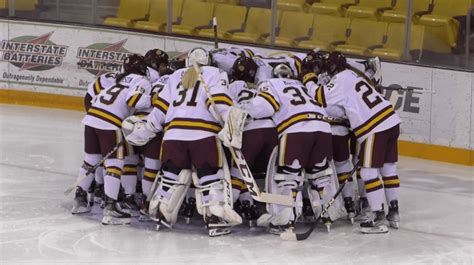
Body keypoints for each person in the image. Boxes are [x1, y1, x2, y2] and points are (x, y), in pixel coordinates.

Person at [123, 47, 242, 236]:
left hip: (173, 137)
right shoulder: (215, 73)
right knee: (209, 178)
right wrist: (231, 125)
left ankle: (163, 212)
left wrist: (147, 128)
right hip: (203, 135)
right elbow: (218, 101)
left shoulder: (176, 75)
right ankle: (215, 218)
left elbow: (160, 109)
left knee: (171, 177)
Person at [308, 51, 401, 233]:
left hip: (375, 127)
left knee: (368, 172)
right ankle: (394, 213)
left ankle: (378, 217)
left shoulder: (340, 80)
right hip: (391, 120)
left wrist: (308, 80)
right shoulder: (353, 75)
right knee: (388, 169)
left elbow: (319, 96)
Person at [239, 63, 333, 234]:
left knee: (288, 177)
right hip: (323, 128)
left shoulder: (271, 84)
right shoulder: (302, 86)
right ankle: (326, 214)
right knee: (321, 176)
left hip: (296, 129)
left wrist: (241, 109)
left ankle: (285, 220)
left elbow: (265, 106)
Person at [72, 54, 153, 225]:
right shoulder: (142, 80)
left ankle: (79, 200)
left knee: (90, 161)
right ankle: (111, 208)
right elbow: (134, 100)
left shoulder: (118, 79)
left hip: (92, 118)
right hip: (110, 122)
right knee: (114, 165)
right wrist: (151, 99)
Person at [301, 50, 356, 224]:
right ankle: (349, 204)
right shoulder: (337, 79)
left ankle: (308, 204)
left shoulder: (306, 82)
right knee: (343, 166)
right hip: (339, 130)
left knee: (312, 169)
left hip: (318, 131)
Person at [227, 55, 276, 227]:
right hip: (271, 130)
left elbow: (227, 106)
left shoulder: (234, 85)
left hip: (249, 129)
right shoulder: (265, 86)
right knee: (266, 174)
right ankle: (272, 212)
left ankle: (227, 213)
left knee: (238, 171)